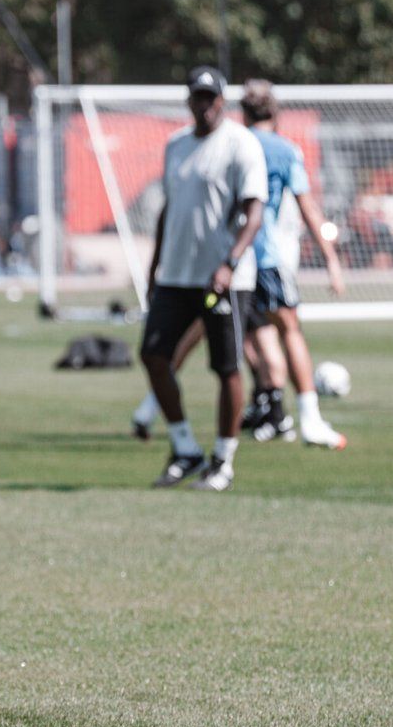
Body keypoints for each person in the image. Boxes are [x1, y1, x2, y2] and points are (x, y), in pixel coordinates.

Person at [139, 66, 268, 491]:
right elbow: (169, 208)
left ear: (223, 101)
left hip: (223, 279)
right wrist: (154, 263)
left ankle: (224, 460)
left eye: (212, 98)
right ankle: (185, 448)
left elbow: (254, 213)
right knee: (154, 355)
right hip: (177, 275)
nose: (205, 105)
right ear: (189, 101)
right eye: (198, 97)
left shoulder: (241, 144)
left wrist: (230, 262)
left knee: (227, 366)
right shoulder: (176, 145)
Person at [236, 80, 348, 449]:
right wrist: (331, 259)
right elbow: (308, 207)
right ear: (275, 111)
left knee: (247, 334)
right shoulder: (285, 150)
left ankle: (270, 407)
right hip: (267, 256)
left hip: (231, 256)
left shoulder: (234, 143)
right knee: (288, 330)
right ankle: (307, 417)